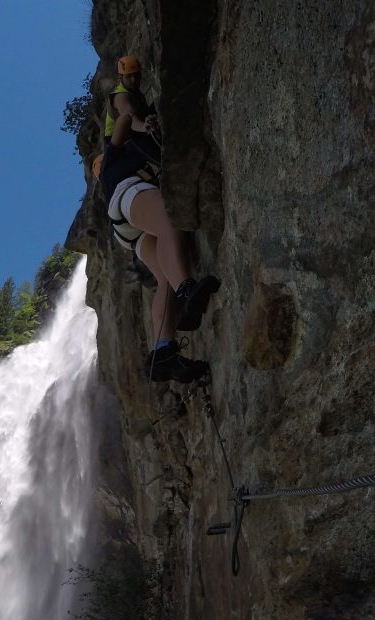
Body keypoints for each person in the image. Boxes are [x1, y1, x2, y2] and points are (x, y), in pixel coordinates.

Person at [96, 55, 220, 384]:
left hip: (128, 229)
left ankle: (164, 350)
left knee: (163, 275)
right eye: (129, 77)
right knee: (168, 219)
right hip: (129, 195)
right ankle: (186, 290)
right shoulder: (116, 148)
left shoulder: (123, 158)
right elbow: (125, 117)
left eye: (136, 76)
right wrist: (142, 123)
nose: (134, 81)